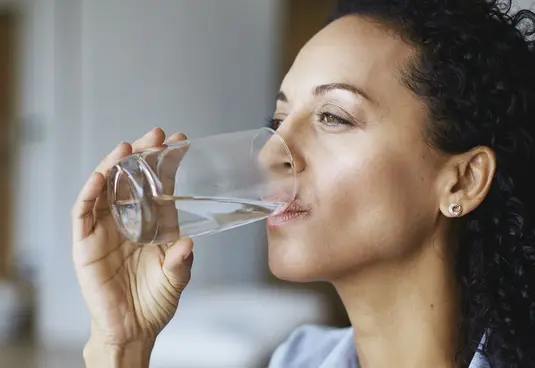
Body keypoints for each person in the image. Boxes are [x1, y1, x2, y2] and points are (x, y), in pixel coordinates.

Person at [72, 0, 535, 367]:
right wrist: (121, 346)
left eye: (333, 117)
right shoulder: (298, 359)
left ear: (462, 181)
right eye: (277, 120)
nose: (273, 152)